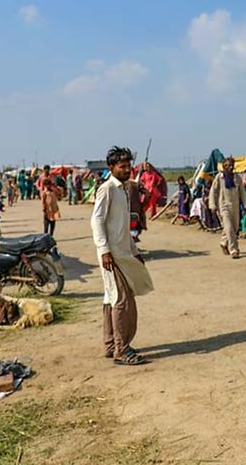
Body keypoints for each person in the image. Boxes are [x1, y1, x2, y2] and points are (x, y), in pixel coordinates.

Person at [91, 146, 154, 366]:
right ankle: (121, 349)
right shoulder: (107, 189)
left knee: (111, 298)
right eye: (122, 166)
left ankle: (111, 344)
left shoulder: (125, 190)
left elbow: (123, 226)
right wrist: (104, 250)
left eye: (128, 166)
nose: (127, 169)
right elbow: (96, 220)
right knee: (122, 301)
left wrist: (135, 252)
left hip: (123, 252)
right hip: (111, 255)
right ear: (111, 168)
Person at [209, 157, 246, 259]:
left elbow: (242, 192)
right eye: (227, 165)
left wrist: (245, 205)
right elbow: (213, 191)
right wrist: (212, 205)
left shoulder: (237, 178)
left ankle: (223, 242)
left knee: (233, 228)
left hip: (235, 206)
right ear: (224, 166)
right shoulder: (219, 177)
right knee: (229, 228)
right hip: (224, 206)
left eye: (231, 165)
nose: (230, 167)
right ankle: (234, 250)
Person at [37, 166, 61, 236]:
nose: (47, 170)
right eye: (46, 169)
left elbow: (58, 189)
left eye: (48, 169)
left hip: (54, 206)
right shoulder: (41, 177)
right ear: (44, 170)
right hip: (47, 205)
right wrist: (41, 190)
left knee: (53, 223)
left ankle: (51, 236)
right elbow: (38, 184)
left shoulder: (52, 177)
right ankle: (45, 236)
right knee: (46, 223)